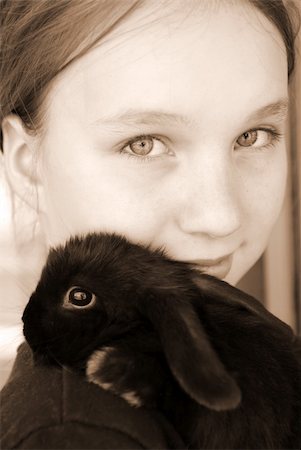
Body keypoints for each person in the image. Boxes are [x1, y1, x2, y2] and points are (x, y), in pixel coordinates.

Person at [0, 0, 299, 448]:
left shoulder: (253, 340)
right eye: (143, 144)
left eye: (253, 136)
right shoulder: (77, 436)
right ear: (27, 165)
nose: (220, 218)